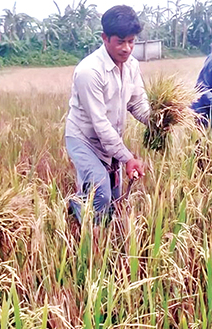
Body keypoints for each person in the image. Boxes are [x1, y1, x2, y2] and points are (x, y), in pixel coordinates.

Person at [65, 5, 150, 225]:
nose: (127, 48)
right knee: (100, 193)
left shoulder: (132, 65)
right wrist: (128, 158)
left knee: (114, 199)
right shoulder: (89, 71)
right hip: (84, 138)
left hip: (111, 139)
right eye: (120, 41)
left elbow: (137, 102)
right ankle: (85, 224)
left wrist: (158, 120)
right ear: (105, 38)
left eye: (131, 41)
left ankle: (95, 222)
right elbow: (100, 124)